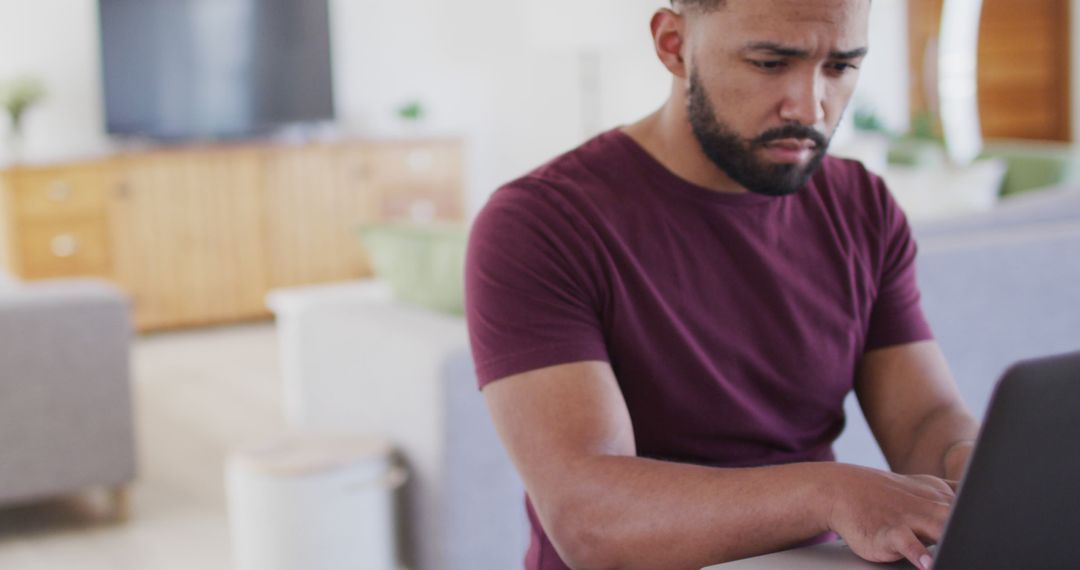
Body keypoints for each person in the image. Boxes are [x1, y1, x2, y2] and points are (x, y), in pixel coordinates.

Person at [464, 1, 980, 569]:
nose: (809, 107)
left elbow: (925, 419)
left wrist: (982, 465)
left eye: (839, 67)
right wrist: (830, 492)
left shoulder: (862, 205)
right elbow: (589, 519)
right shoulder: (541, 223)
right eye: (768, 63)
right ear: (673, 44)